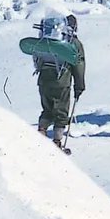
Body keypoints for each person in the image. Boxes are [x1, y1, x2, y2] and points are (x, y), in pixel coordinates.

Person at [34, 14, 86, 150]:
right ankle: (56, 142)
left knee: (47, 109)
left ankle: (41, 134)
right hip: (61, 82)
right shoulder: (73, 42)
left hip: (43, 80)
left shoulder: (46, 40)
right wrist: (79, 86)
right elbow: (79, 65)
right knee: (61, 113)